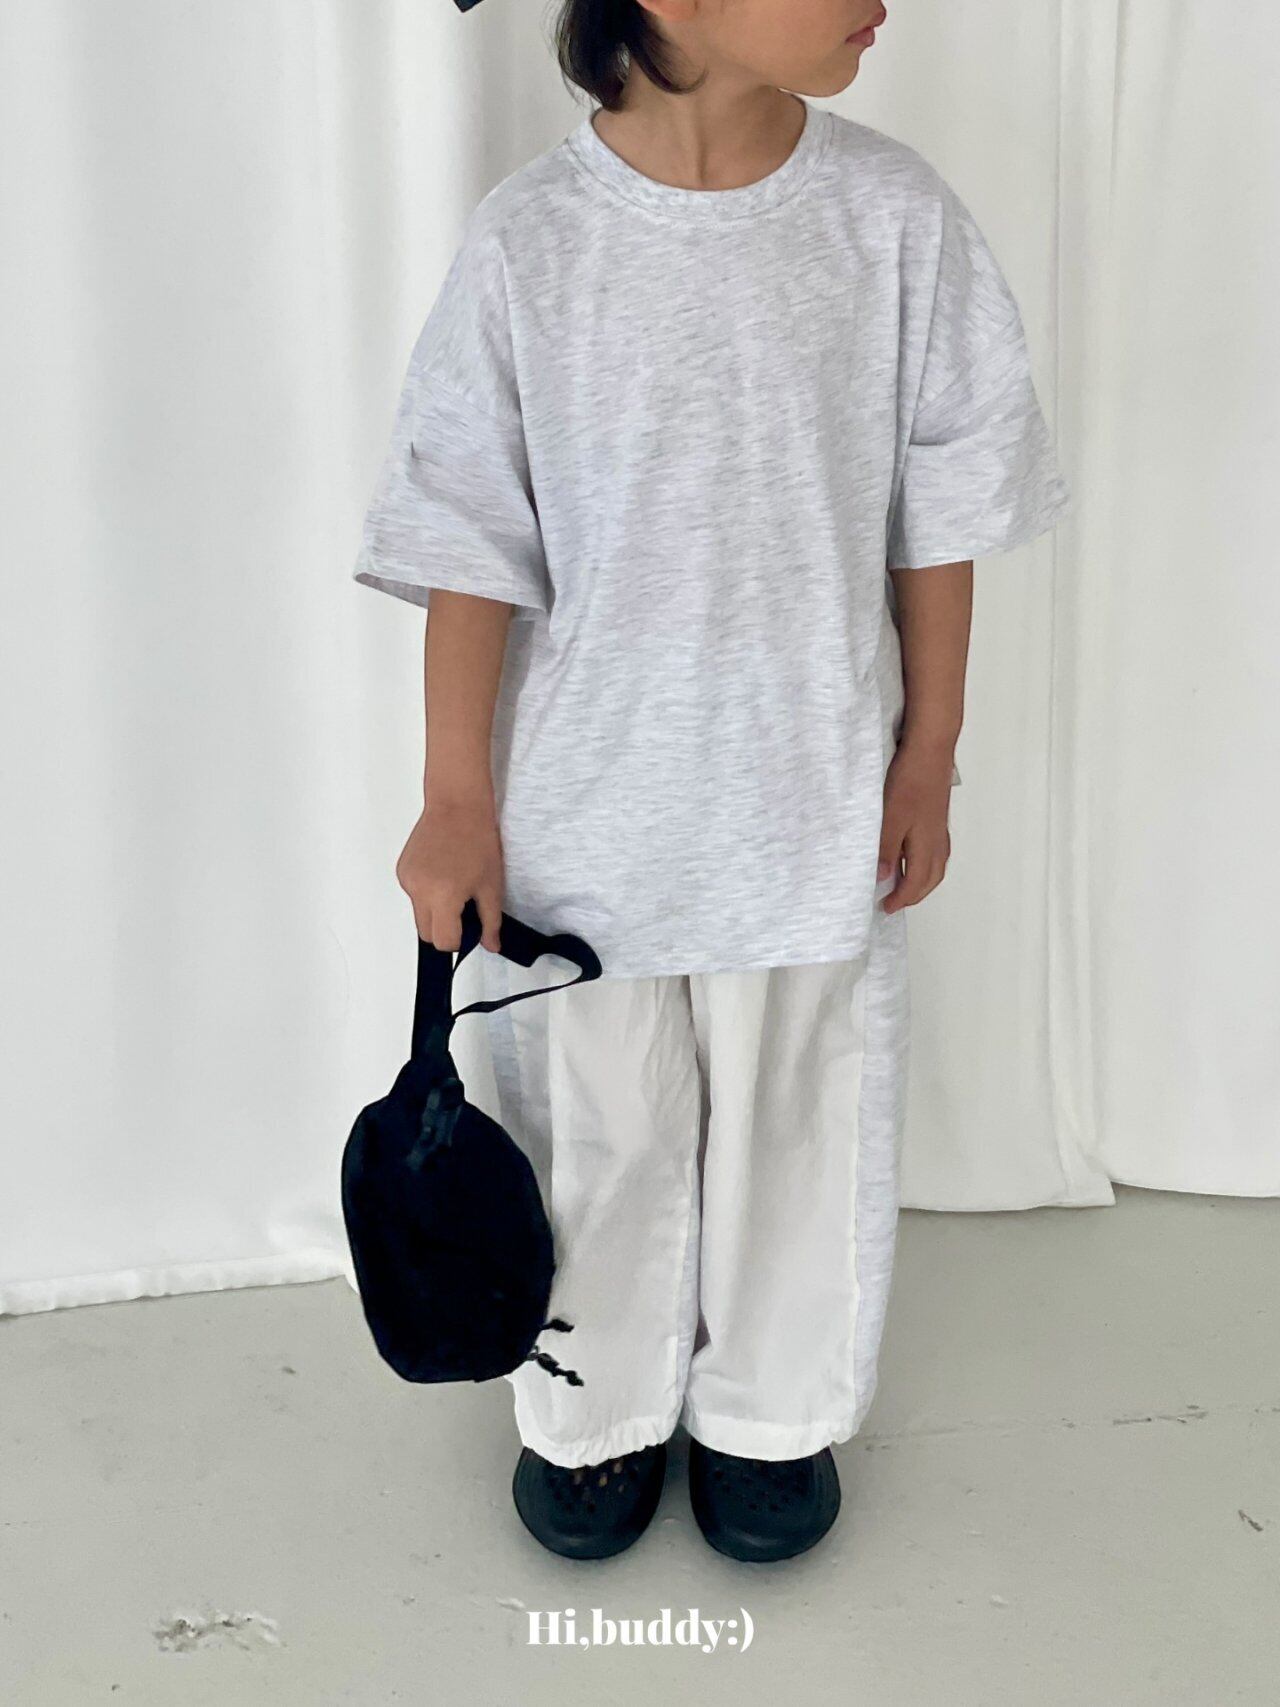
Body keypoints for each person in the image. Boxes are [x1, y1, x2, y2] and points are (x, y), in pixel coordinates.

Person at [353, 0, 1071, 1564]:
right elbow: (469, 531)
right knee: (600, 1118)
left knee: (799, 1110)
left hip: (809, 787)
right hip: (587, 805)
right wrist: (454, 795)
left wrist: (929, 753)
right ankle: (592, 1414)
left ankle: (770, 1417)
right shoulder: (532, 242)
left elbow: (942, 506)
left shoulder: (891, 223)